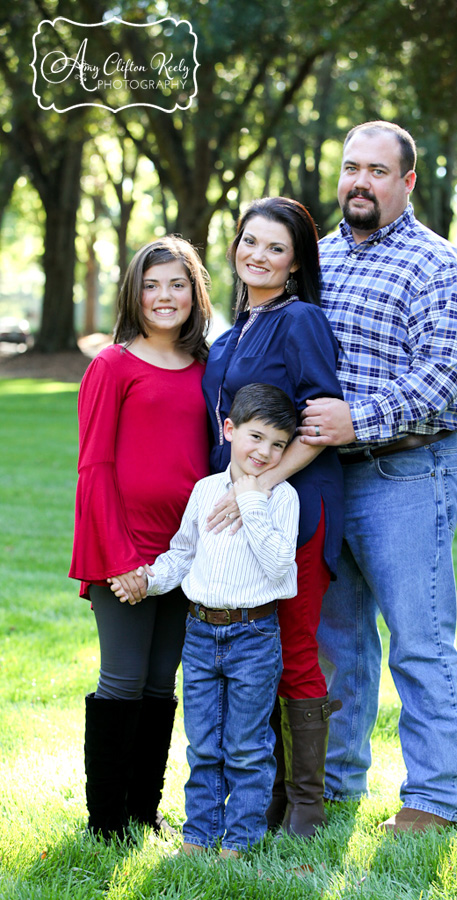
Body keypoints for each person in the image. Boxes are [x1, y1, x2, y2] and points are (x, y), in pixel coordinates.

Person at [298, 121, 457, 834]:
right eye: (351, 168)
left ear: (406, 182)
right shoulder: (316, 258)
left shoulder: (437, 265)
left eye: (378, 170)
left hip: (407, 472)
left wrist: (358, 420)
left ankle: (433, 798)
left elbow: (445, 374)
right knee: (336, 641)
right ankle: (337, 784)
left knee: (420, 637)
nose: (360, 182)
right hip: (326, 481)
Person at [201, 197, 344, 838]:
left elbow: (318, 422)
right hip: (232, 513)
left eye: (275, 248)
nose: (258, 255)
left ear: (294, 263)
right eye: (249, 242)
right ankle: (265, 796)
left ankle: (306, 807)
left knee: (294, 646)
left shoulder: (301, 320)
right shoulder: (230, 333)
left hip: (294, 506)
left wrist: (256, 486)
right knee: (254, 652)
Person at [111, 383, 300, 858]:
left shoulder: (282, 499)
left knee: (246, 746)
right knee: (204, 745)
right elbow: (182, 555)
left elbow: (280, 567)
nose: (265, 452)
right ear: (230, 429)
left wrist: (253, 498)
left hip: (253, 635)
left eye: (278, 444)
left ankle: (240, 840)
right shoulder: (204, 490)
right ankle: (199, 835)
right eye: (256, 437)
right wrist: (148, 579)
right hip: (199, 635)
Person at [69, 235, 212, 840]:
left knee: (161, 683)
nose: (164, 296)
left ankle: (141, 811)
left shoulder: (207, 367)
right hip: (123, 550)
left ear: (195, 292)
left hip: (185, 553)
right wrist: (122, 559)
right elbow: (95, 467)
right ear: (134, 291)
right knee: (123, 680)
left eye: (177, 284)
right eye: (152, 284)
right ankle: (105, 823)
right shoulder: (112, 365)